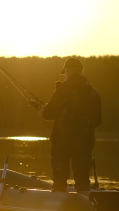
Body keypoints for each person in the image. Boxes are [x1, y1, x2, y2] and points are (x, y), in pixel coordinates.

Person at [31, 57, 101, 192]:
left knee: (59, 179)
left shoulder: (62, 90)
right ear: (81, 72)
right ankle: (85, 204)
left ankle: (58, 204)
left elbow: (48, 114)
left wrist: (43, 109)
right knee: (82, 179)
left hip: (62, 143)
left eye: (66, 72)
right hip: (85, 143)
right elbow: (98, 121)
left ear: (69, 71)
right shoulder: (93, 93)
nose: (65, 75)